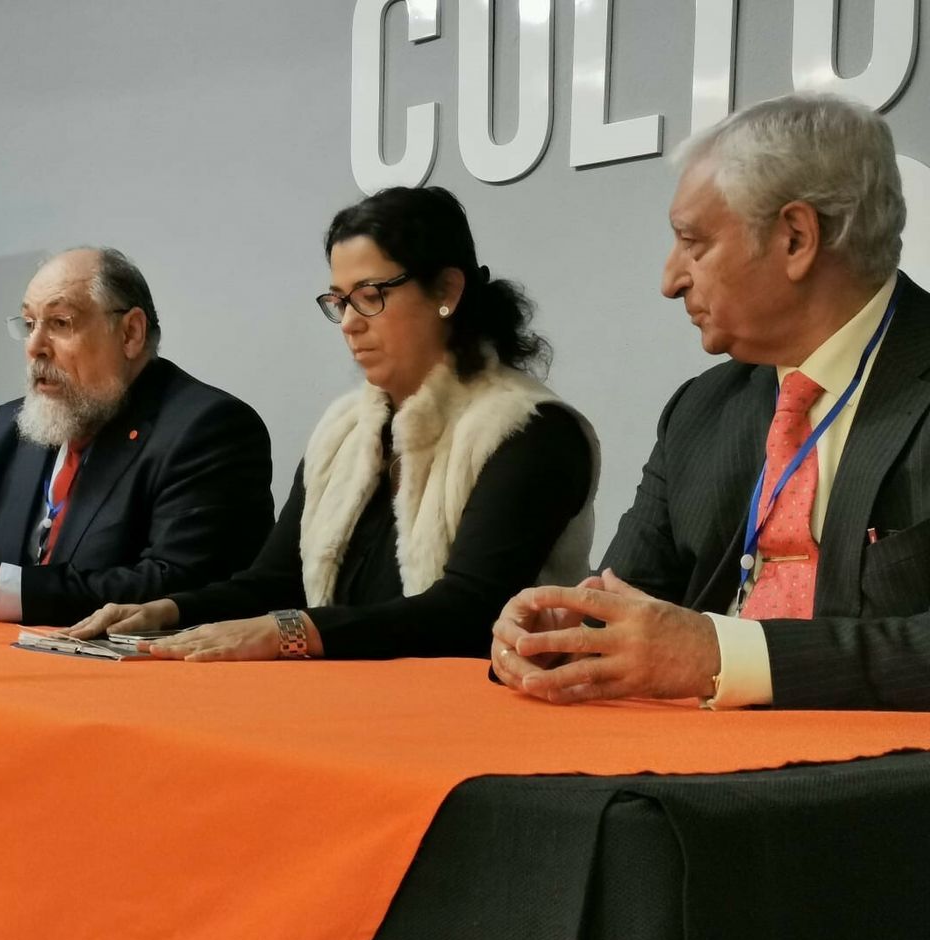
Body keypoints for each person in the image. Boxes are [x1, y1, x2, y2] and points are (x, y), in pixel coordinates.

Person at [493, 92, 930, 710]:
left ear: (796, 238)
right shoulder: (699, 410)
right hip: (686, 768)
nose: (669, 280)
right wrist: (560, 637)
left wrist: (725, 656)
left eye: (693, 243)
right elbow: (622, 606)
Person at [68, 187, 597, 661]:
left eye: (371, 296)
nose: (348, 323)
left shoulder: (531, 429)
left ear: (447, 292)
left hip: (474, 721)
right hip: (347, 707)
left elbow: (467, 611)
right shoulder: (346, 427)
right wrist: (167, 611)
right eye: (338, 302)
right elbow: (275, 581)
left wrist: (288, 633)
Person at [0, 247, 274, 627]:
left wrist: (6, 593)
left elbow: (180, 583)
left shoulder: (208, 428)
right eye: (28, 324)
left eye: (59, 323)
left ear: (130, 333)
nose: (34, 347)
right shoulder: (7, 429)